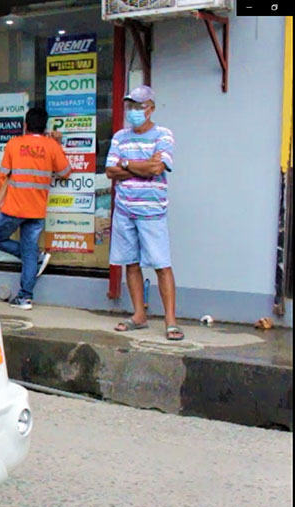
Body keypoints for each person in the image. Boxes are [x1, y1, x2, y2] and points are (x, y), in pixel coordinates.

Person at [105, 86, 181, 340]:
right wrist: (142, 166)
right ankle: (139, 315)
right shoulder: (119, 136)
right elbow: (110, 171)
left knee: (161, 264)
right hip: (124, 209)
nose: (134, 111)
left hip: (152, 210)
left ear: (151, 108)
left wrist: (126, 163)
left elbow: (158, 167)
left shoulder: (164, 135)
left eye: (139, 106)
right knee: (131, 263)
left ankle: (171, 321)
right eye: (131, 106)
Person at [0, 107, 70, 310]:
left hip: (14, 208)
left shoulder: (14, 144)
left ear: (25, 125)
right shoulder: (51, 146)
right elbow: (65, 172)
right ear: (45, 127)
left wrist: (0, 200)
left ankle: (32, 261)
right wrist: (58, 144)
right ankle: (25, 296)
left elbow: (3, 176)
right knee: (30, 250)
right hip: (37, 209)